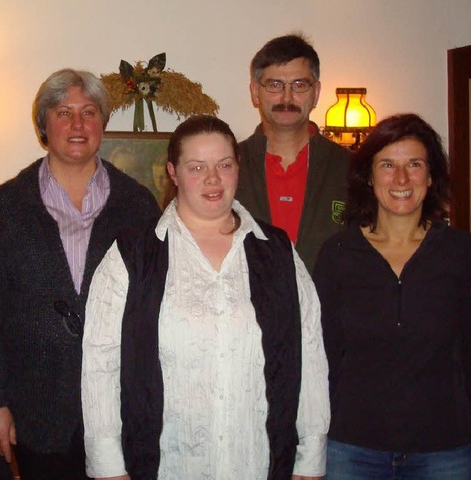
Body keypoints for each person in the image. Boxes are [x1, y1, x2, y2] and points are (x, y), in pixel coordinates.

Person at [82, 115, 330, 480]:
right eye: (196, 167)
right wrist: (108, 468)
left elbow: (309, 354)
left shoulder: (276, 251)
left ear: (237, 169)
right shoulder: (133, 254)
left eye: (224, 165)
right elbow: (100, 365)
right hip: (166, 466)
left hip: (257, 464)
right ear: (173, 172)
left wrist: (310, 461)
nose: (213, 179)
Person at [0, 68, 160, 480]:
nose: (77, 124)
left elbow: (157, 310)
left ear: (102, 125)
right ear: (43, 125)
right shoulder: (5, 209)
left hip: (121, 408)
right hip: (37, 412)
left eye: (89, 112)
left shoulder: (139, 206)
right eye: (63, 112)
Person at [313, 113, 471, 479]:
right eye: (388, 165)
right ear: (369, 176)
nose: (401, 179)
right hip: (352, 449)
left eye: (414, 165)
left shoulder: (461, 254)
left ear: (431, 177)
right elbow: (321, 356)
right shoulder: (337, 254)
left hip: (445, 451)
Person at [235, 33, 351, 273]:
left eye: (299, 85)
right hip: (250, 308)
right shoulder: (228, 167)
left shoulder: (351, 168)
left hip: (330, 307)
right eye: (275, 85)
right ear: (255, 92)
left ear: (316, 92)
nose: (287, 98)